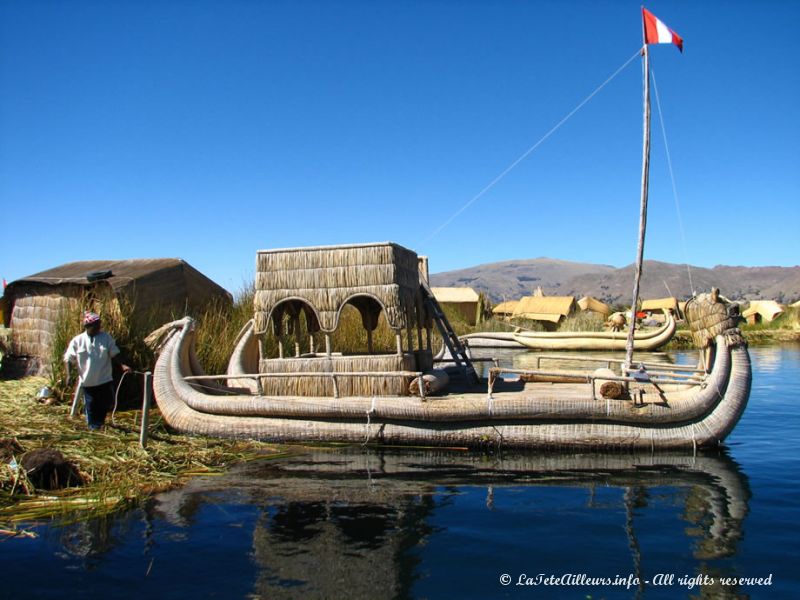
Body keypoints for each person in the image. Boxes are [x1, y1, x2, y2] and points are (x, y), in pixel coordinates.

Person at [64, 311, 132, 430]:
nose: (98, 327)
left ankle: (99, 423)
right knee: (91, 404)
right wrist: (69, 375)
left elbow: (114, 353)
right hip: (88, 381)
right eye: (95, 325)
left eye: (99, 324)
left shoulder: (106, 338)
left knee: (105, 403)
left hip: (104, 379)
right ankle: (93, 426)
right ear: (87, 326)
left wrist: (122, 365)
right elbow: (68, 359)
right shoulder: (77, 341)